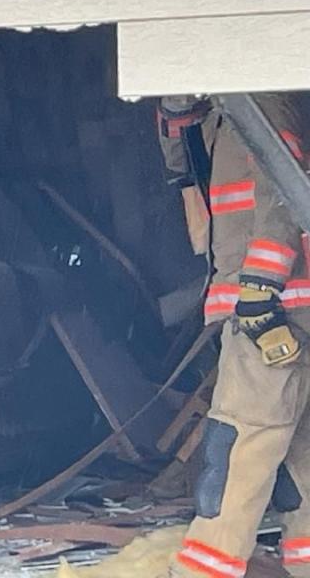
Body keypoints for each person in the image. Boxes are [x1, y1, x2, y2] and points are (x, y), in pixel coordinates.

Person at [158, 94, 310, 578]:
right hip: (275, 308)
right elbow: (180, 156)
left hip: (269, 312)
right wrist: (179, 105)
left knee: (238, 446)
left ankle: (204, 572)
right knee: (299, 459)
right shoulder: (220, 119)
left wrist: (260, 294)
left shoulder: (259, 105)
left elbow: (284, 195)